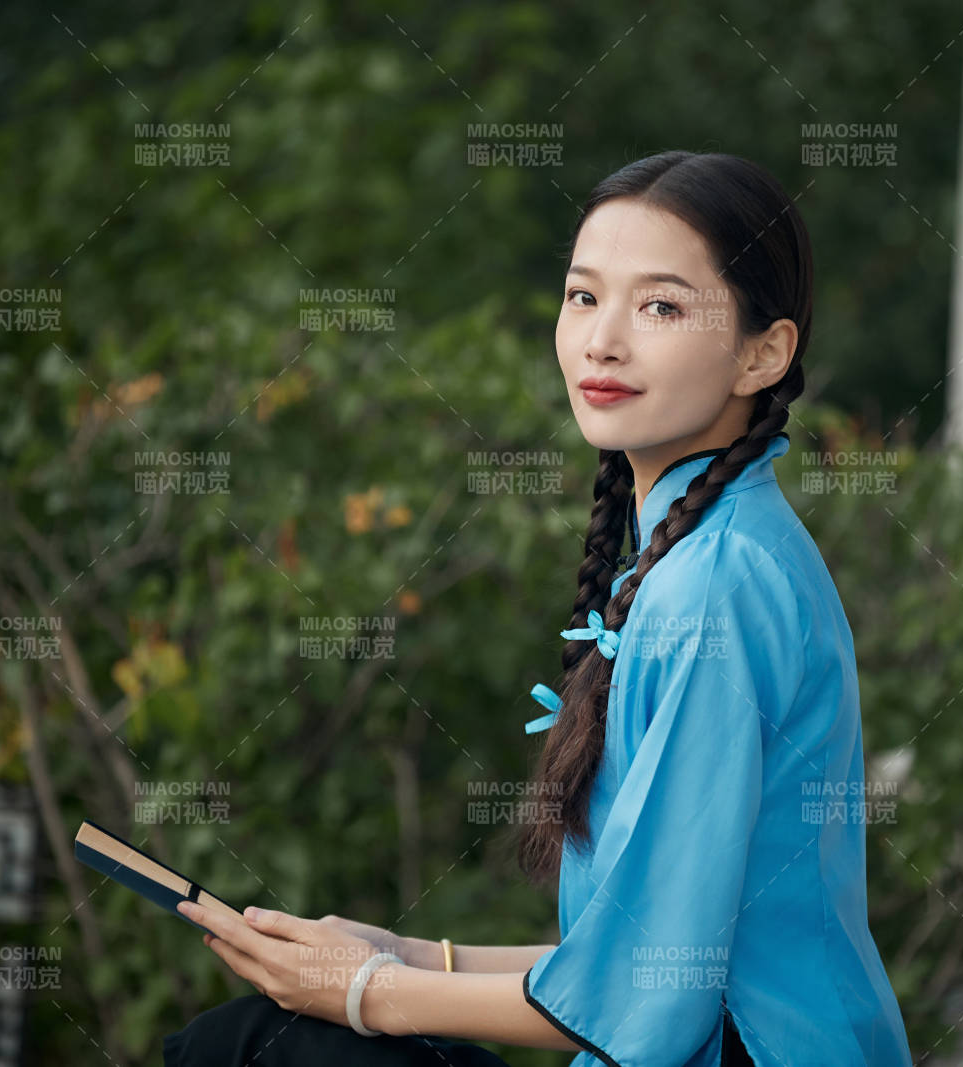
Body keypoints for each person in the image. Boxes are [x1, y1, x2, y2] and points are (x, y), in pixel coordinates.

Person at [164, 150, 913, 1066]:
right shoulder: (707, 550)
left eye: (661, 307)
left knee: (256, 1045)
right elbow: (628, 962)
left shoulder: (714, 584)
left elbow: (650, 993)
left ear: (764, 353)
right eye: (583, 296)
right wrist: (402, 954)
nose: (603, 340)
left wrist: (363, 991)